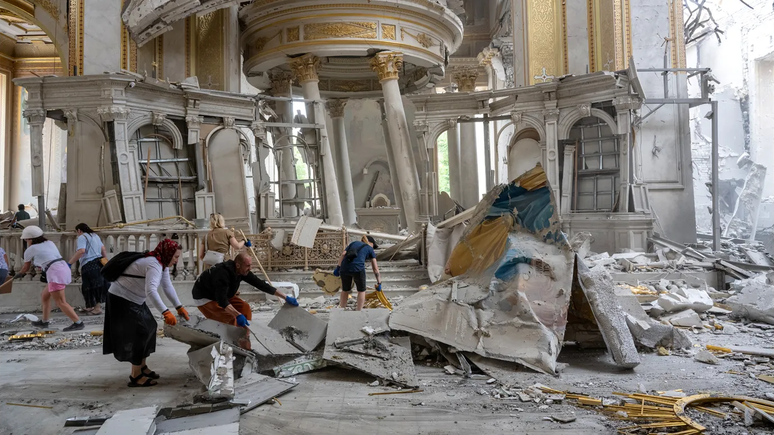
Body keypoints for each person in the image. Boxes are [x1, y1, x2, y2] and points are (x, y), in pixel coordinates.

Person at [103, 239, 190, 388]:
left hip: (134, 299)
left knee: (150, 326)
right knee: (139, 332)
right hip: (121, 298)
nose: (176, 261)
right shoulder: (154, 264)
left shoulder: (161, 263)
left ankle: (142, 366)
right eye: (175, 257)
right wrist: (166, 312)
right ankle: (135, 375)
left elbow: (167, 286)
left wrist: (179, 306)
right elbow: (151, 291)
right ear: (168, 254)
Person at [192, 252, 299, 349]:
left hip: (222, 295)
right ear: (238, 265)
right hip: (205, 298)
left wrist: (285, 297)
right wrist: (237, 315)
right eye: (248, 266)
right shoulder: (222, 274)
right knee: (229, 318)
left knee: (245, 308)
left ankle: (244, 341)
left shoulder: (241, 271)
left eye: (251, 265)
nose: (250, 268)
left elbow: (261, 284)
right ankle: (232, 347)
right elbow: (222, 301)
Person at [15, 225, 83, 331]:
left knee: (61, 302)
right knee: (45, 296)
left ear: (29, 239)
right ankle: (44, 322)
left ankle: (78, 323)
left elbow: (26, 267)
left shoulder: (30, 249)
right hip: (62, 268)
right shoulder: (49, 243)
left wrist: (19, 274)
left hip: (55, 273)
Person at [68, 223, 109, 315]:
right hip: (99, 262)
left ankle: (97, 308)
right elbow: (103, 249)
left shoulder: (82, 237)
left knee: (90, 287)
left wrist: (69, 263)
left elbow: (81, 251)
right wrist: (106, 261)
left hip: (89, 264)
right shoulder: (95, 236)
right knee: (96, 285)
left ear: (79, 230)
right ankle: (90, 306)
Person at [334, 235, 382, 311]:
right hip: (358, 269)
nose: (373, 248)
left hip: (344, 268)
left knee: (345, 290)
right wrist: (379, 282)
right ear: (371, 243)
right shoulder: (369, 248)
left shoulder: (353, 243)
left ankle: (341, 310)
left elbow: (343, 254)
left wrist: (338, 268)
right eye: (373, 246)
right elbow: (375, 269)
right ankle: (358, 311)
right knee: (361, 290)